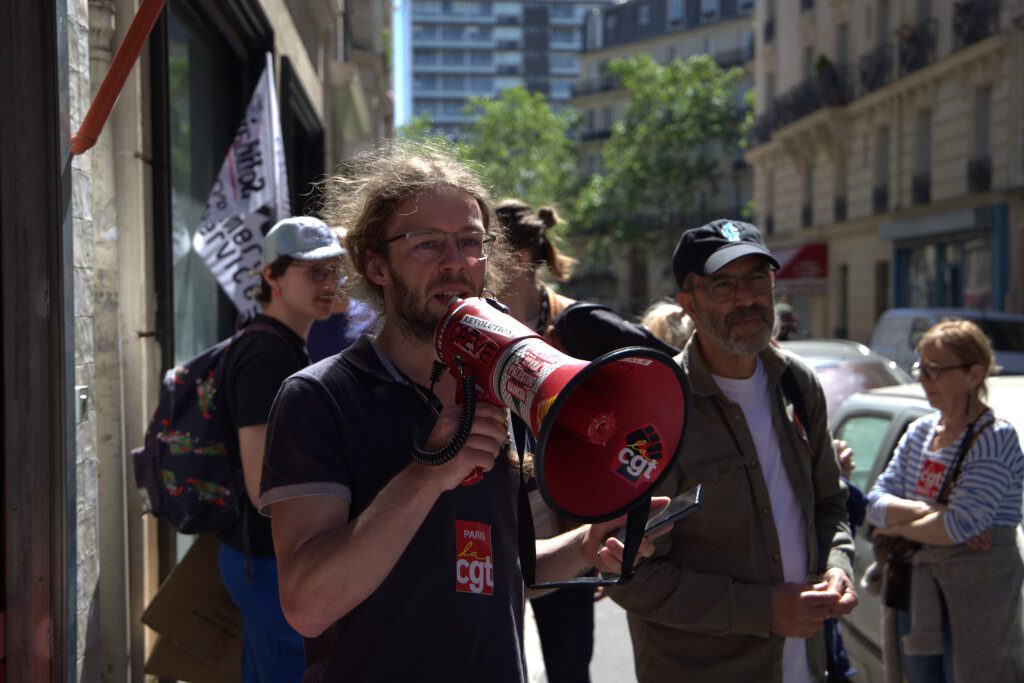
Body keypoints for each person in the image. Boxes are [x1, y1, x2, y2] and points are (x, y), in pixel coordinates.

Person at [257, 146, 663, 682]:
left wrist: (583, 545)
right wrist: (426, 476)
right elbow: (307, 605)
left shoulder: (497, 392)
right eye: (427, 243)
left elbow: (496, 571)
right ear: (376, 265)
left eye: (471, 241)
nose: (457, 262)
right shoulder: (318, 398)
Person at [607, 218, 857, 683]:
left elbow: (830, 504)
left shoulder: (797, 383)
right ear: (688, 304)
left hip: (805, 667)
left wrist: (837, 565)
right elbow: (629, 575)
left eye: (757, 279)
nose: (747, 299)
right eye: (724, 285)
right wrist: (761, 610)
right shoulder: (654, 409)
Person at [219, 215, 346, 682]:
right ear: (272, 276)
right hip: (267, 563)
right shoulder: (267, 354)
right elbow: (261, 488)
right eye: (315, 272)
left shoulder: (280, 345)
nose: (330, 284)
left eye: (335, 271)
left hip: (263, 559)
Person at [865, 319, 1024, 682]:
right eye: (921, 367)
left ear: (974, 374)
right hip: (916, 595)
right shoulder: (919, 431)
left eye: (935, 369)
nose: (923, 378)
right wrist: (931, 513)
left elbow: (957, 526)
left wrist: (897, 526)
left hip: (976, 601)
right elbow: (875, 504)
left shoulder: (995, 437)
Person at [305, 226, 377, 362]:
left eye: (346, 258)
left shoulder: (371, 317)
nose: (341, 266)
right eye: (334, 258)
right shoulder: (303, 318)